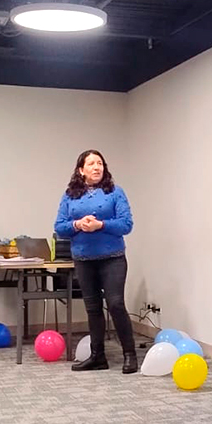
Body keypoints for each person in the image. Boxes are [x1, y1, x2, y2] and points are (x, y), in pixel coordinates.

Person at [55, 150, 137, 374]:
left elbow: (126, 224)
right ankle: (97, 357)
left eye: (99, 163)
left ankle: (130, 354)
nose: (96, 167)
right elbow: (59, 227)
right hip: (83, 260)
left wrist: (100, 225)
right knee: (92, 309)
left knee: (115, 304)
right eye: (91, 163)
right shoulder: (69, 196)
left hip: (113, 259)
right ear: (81, 170)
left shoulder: (115, 193)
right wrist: (77, 225)